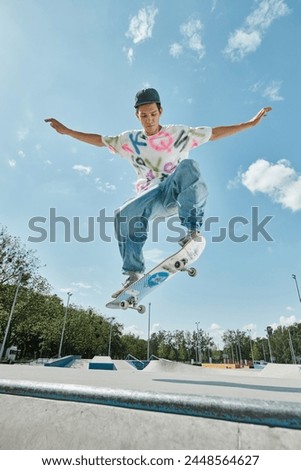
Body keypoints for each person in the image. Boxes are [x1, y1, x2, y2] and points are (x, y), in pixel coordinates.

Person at [45, 88, 272, 297]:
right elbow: (99, 140)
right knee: (122, 214)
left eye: (153, 114)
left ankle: (192, 231)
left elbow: (214, 134)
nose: (149, 119)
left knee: (189, 167)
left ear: (160, 111)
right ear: (137, 116)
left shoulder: (178, 133)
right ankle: (134, 274)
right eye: (144, 115)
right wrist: (67, 131)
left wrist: (250, 124)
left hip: (175, 192)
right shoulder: (129, 140)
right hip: (150, 197)